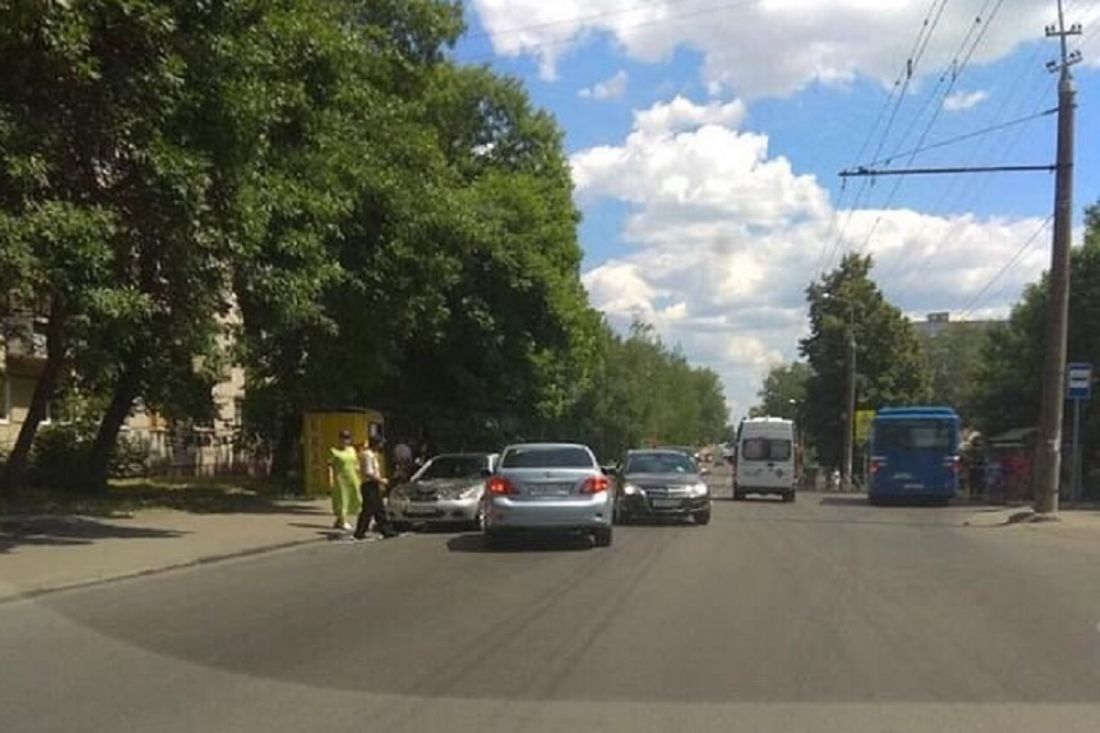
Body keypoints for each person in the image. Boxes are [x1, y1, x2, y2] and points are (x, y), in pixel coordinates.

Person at [354, 436, 399, 540]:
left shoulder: (372, 455)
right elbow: (368, 473)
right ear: (375, 444)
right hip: (369, 485)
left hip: (373, 485)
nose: (382, 446)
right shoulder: (368, 455)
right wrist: (381, 480)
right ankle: (360, 532)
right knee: (368, 510)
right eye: (380, 443)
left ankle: (386, 530)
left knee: (379, 509)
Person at [327, 429, 362, 533]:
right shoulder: (334, 451)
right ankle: (343, 521)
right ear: (339, 439)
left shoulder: (352, 450)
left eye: (347, 438)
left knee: (355, 498)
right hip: (340, 479)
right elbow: (329, 466)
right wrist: (330, 478)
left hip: (352, 477)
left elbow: (356, 463)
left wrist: (360, 473)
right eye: (342, 438)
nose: (344, 440)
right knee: (342, 499)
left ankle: (338, 520)